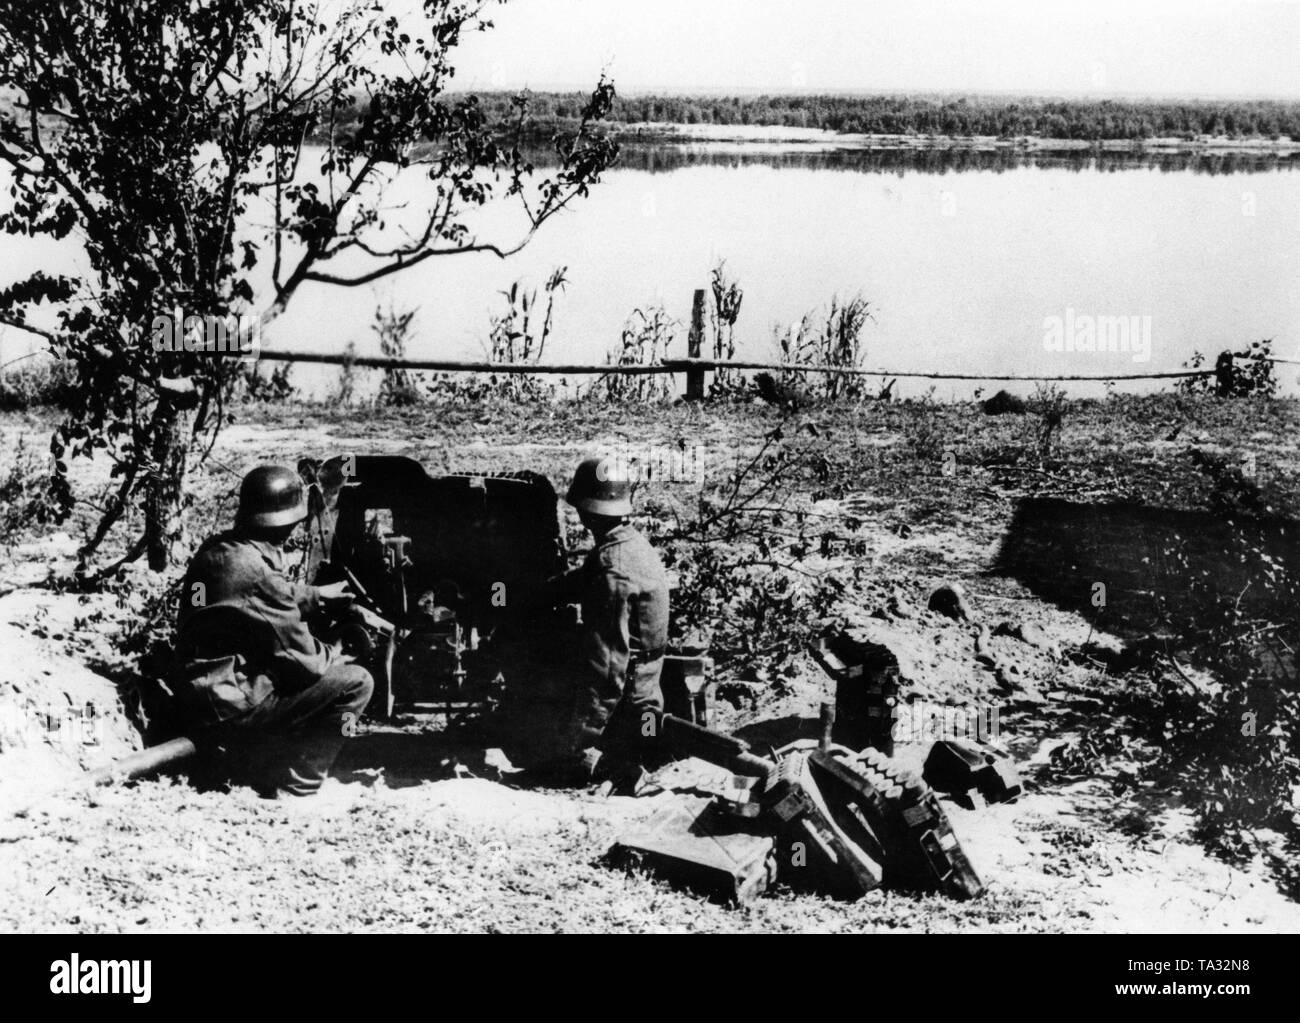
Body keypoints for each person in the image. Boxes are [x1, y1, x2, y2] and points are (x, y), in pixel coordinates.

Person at [172, 464, 378, 797]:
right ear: (289, 525)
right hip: (227, 707)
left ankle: (260, 756)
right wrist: (340, 649)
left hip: (196, 692)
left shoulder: (221, 550)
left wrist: (315, 596)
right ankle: (298, 785)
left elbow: (252, 595)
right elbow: (305, 662)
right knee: (355, 684)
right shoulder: (257, 572)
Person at [545, 456, 670, 784]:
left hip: (626, 710)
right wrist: (536, 594)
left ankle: (615, 765)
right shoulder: (629, 545)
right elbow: (582, 581)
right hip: (647, 696)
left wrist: (579, 740)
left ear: (585, 510)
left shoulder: (613, 566)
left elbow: (609, 666)